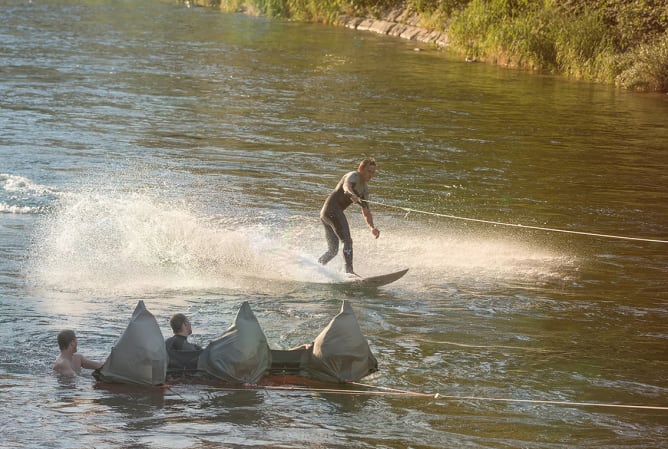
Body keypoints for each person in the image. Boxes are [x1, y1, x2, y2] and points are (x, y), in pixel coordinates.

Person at [318, 158, 380, 275]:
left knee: (333, 250)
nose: (371, 175)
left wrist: (372, 227)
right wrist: (351, 195)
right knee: (347, 241)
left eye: (373, 172)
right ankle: (349, 273)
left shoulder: (364, 189)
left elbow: (366, 211)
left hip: (327, 214)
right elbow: (346, 187)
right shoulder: (353, 176)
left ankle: (316, 266)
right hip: (331, 210)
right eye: (369, 171)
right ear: (361, 169)